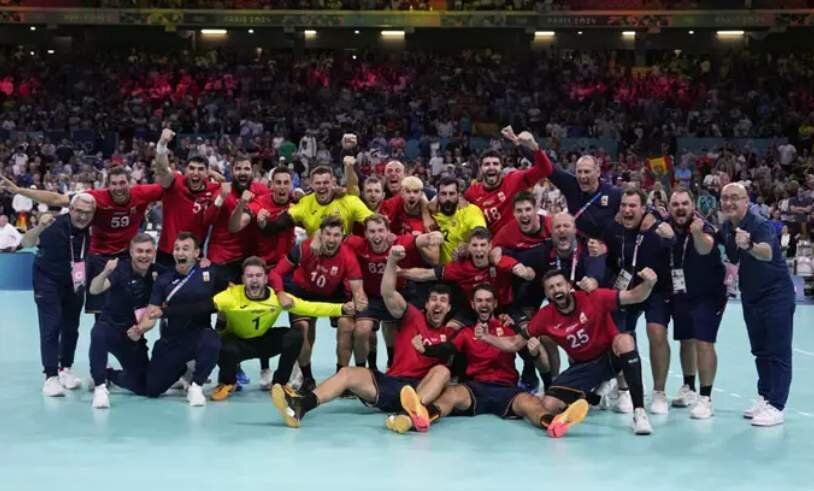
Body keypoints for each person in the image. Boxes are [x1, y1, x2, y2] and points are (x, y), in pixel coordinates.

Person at [269, 245, 454, 428]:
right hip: (393, 383)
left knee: (442, 371)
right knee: (347, 373)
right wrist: (391, 260)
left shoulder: (451, 332)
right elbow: (388, 293)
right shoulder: (413, 316)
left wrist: (428, 350)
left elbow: (450, 360)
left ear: (449, 308)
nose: (438, 304)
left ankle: (410, 413)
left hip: (421, 388)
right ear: (427, 304)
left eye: (443, 301)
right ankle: (301, 405)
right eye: (434, 300)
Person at [389, 284, 590, 438]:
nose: (483, 304)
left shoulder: (510, 331)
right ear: (473, 305)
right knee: (449, 395)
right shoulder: (466, 332)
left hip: (506, 388)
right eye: (479, 300)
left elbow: (541, 364)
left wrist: (536, 353)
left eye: (488, 300)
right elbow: (448, 350)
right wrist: (427, 349)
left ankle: (555, 423)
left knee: (531, 404)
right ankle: (423, 417)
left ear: (494, 304)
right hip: (475, 388)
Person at [480, 268, 660, 435]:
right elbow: (514, 343)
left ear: (569, 286)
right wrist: (487, 337)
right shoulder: (545, 316)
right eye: (551, 288)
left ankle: (639, 412)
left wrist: (649, 283)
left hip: (609, 358)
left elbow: (634, 296)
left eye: (559, 285)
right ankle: (590, 395)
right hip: (582, 367)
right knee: (548, 405)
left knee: (625, 340)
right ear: (546, 293)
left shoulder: (593, 297)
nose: (556, 290)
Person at [1, 168, 164, 314]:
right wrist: (19, 190)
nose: (118, 187)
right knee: (100, 314)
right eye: (113, 183)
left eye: (122, 182)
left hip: (127, 257)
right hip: (99, 256)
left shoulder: (142, 193)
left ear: (129, 183)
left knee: (130, 310)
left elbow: (172, 187)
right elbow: (57, 199)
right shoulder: (96, 197)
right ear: (107, 185)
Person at [209, 256, 355, 401]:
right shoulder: (231, 295)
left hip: (263, 342)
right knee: (219, 343)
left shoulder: (276, 298)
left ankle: (280, 384)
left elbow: (311, 307)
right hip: (237, 344)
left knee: (295, 336)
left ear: (266, 279)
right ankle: (227, 382)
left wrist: (341, 308)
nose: (254, 280)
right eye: (250, 276)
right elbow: (206, 305)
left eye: (259, 275)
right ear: (243, 278)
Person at [719, 183, 795, 427]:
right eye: (725, 198)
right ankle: (765, 396)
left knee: (778, 351)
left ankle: (777, 405)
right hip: (751, 295)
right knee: (759, 350)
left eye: (735, 198)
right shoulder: (726, 227)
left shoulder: (760, 224)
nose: (729, 202)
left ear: (746, 201)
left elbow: (766, 253)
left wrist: (749, 244)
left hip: (776, 295)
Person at [269, 216, 367, 391]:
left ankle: (341, 377)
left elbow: (357, 289)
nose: (331, 239)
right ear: (321, 234)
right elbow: (275, 273)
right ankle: (307, 378)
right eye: (328, 234)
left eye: (336, 235)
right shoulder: (304, 248)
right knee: (304, 330)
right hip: (303, 291)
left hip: (333, 293)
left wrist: (358, 301)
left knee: (347, 324)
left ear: (342, 236)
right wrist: (280, 292)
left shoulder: (347, 256)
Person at [132, 232, 228, 406]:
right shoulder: (164, 280)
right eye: (177, 249)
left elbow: (229, 296)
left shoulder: (210, 273)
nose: (180, 253)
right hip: (171, 341)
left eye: (185, 249)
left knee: (212, 340)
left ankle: (196, 386)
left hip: (198, 335)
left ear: (196, 253)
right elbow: (152, 313)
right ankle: (181, 370)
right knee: (152, 390)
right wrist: (140, 329)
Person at [601, 188, 674, 415]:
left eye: (633, 206)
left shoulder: (657, 228)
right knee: (621, 335)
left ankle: (659, 392)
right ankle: (624, 389)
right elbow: (611, 260)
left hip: (657, 290)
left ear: (644, 209)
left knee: (656, 332)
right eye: (624, 205)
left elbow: (675, 248)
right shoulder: (614, 229)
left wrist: (669, 235)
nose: (627, 210)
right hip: (628, 290)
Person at [345, 214, 442, 369]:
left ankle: (392, 363)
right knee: (362, 330)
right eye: (372, 231)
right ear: (365, 234)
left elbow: (422, 239)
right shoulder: (358, 244)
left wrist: (434, 236)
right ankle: (362, 369)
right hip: (370, 297)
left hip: (396, 295)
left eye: (380, 230)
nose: (376, 235)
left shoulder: (400, 242)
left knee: (392, 329)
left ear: (388, 232)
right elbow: (330, 235)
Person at [22, 193, 96, 396]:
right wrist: (39, 227)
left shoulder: (93, 229)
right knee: (51, 325)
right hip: (47, 281)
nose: (82, 216)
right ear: (70, 209)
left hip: (76, 281)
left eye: (88, 213)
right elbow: (26, 243)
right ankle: (51, 376)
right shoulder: (53, 224)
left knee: (72, 326)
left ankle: (66, 369)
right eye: (79, 211)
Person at [664, 188, 727, 419]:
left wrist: (698, 233)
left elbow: (705, 247)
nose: (680, 208)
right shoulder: (667, 225)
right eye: (675, 204)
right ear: (669, 207)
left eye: (684, 203)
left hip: (708, 295)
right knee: (686, 340)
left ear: (693, 205)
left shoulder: (703, 225)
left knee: (704, 342)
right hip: (681, 292)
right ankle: (689, 387)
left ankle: (706, 397)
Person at [87, 234, 159, 408]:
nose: (144, 255)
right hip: (110, 328)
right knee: (98, 333)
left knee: (144, 387)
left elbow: (153, 312)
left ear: (154, 253)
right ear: (131, 252)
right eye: (139, 251)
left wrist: (140, 330)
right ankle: (100, 387)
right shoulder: (120, 269)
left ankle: (110, 375)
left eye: (148, 251)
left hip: (133, 334)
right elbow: (94, 290)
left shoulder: (158, 273)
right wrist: (105, 272)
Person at [152, 129, 221, 268]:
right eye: (192, 168)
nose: (195, 173)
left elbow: (227, 187)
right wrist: (162, 144)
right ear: (185, 170)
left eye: (201, 169)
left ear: (207, 173)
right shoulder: (175, 183)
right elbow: (162, 169)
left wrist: (218, 176)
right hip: (167, 254)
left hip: (195, 255)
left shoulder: (214, 189)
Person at [464, 127, 553, 234]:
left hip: (516, 241)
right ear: (481, 168)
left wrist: (534, 147)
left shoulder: (514, 179)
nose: (491, 167)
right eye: (487, 164)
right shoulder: (471, 193)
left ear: (502, 167)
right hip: (490, 245)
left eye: (495, 164)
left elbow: (545, 170)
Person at [259, 166, 372, 238]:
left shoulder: (348, 200)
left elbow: (373, 222)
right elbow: (280, 224)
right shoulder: (305, 203)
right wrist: (263, 223)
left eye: (326, 182)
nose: (322, 186)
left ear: (333, 183)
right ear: (311, 184)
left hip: (343, 253)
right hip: (316, 254)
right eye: (318, 183)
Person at [206, 158, 268, 283]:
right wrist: (221, 197)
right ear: (232, 171)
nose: (242, 172)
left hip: (247, 258)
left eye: (246, 169)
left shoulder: (260, 190)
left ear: (253, 172)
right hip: (222, 258)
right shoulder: (222, 192)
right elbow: (208, 220)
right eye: (238, 169)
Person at [432, 177, 487, 264]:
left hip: (465, 270)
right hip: (441, 271)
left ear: (458, 195)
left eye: (452, 194)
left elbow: (480, 232)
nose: (448, 198)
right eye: (443, 194)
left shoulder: (470, 210)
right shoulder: (432, 214)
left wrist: (468, 246)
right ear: (437, 196)